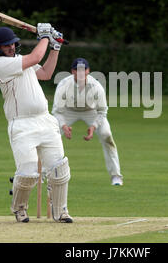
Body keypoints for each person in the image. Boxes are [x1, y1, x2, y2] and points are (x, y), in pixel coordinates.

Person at [0, 24, 73, 223]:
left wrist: (55, 47)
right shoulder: (0, 66)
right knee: (28, 173)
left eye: (12, 44)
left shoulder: (21, 61)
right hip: (21, 125)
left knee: (58, 168)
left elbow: (45, 73)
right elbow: (36, 58)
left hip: (44, 120)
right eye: (5, 45)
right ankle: (19, 209)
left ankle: (60, 211)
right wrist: (45, 36)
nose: (10, 47)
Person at [52, 58, 124, 186]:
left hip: (92, 111)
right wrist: (63, 125)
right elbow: (57, 110)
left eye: (83, 70)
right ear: (72, 71)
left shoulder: (96, 86)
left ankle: (116, 176)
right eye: (77, 70)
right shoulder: (64, 84)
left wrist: (94, 126)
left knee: (107, 136)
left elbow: (102, 111)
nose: (80, 73)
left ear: (88, 71)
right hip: (68, 110)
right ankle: (42, 173)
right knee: (50, 135)